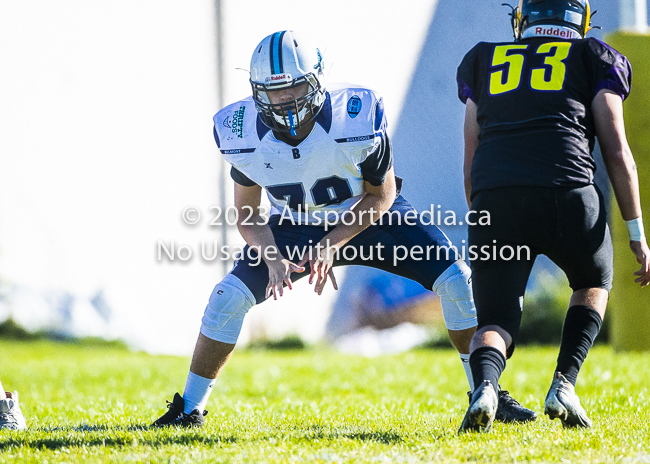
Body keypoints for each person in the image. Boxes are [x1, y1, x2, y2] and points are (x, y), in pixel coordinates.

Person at [153, 30, 535, 428]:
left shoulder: (355, 114)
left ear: (316, 81)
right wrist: (272, 257)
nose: (283, 101)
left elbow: (382, 195)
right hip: (293, 223)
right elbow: (248, 214)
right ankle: (189, 409)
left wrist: (331, 243)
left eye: (293, 88)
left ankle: (487, 395)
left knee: (457, 280)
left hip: (367, 214)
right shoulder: (241, 131)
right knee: (226, 299)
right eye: (272, 92)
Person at [456, 0, 650, 433]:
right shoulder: (593, 55)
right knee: (593, 281)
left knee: (495, 319)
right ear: (577, 20)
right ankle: (564, 384)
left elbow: (471, 158)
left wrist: (486, 217)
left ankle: (485, 387)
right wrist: (637, 232)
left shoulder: (483, 59)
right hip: (568, 193)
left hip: (496, 197)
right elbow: (617, 151)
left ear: (523, 19)